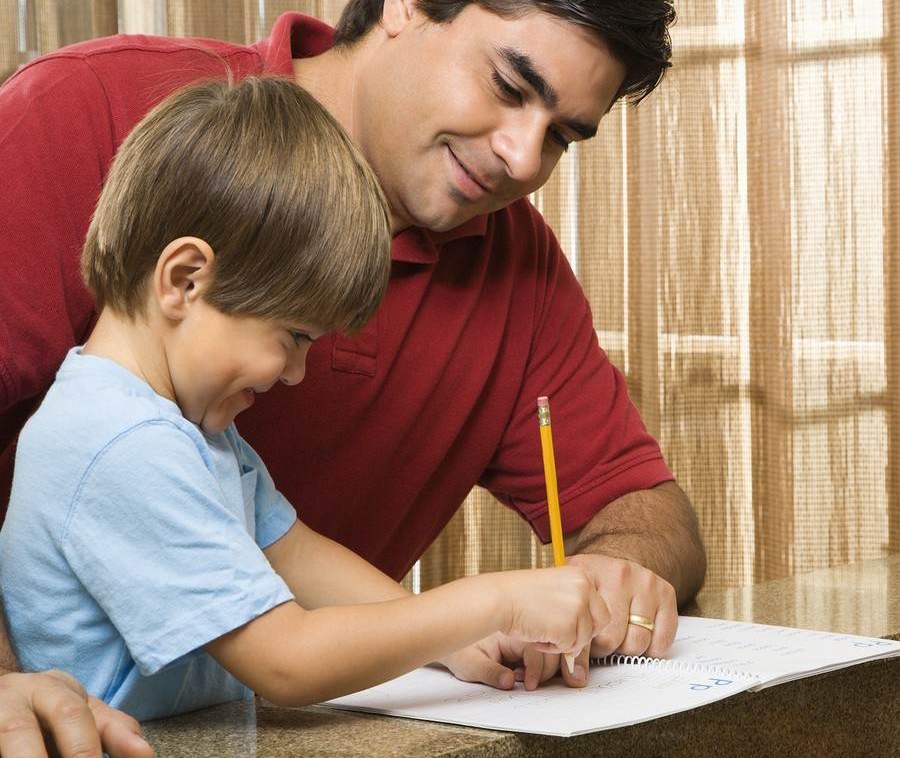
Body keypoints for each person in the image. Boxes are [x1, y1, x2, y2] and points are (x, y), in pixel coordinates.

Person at [0, 0, 706, 755]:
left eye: (563, 134)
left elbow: (644, 508)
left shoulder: (515, 264)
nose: (525, 158)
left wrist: (612, 583)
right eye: (508, 85)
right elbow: (283, 653)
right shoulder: (84, 113)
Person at [0, 74, 608, 726]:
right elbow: (284, 661)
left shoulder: (188, 429)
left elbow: (293, 551)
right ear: (184, 280)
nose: (294, 373)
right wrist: (491, 605)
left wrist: (454, 643)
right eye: (292, 337)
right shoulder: (122, 443)